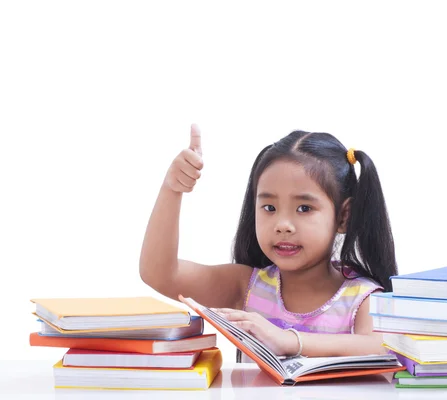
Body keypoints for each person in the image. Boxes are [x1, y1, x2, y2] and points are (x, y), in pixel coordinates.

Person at [139, 124, 397, 361]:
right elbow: (161, 274)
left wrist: (289, 341)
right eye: (270, 207)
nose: (282, 224)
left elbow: (385, 347)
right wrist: (172, 190)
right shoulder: (247, 287)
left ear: (343, 216)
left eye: (304, 208)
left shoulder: (362, 299)